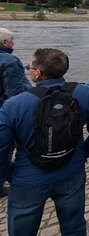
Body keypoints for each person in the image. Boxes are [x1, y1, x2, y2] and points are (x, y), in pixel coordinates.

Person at [0, 48, 89, 234]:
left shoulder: (14, 104)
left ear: (38, 73)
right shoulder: (86, 93)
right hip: (71, 170)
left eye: (30, 67)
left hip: (28, 177)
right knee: (74, 227)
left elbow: (1, 148)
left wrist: (8, 174)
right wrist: (85, 153)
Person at [0, 28, 31, 197]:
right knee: (5, 148)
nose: (13, 43)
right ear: (4, 43)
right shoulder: (9, 61)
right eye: (11, 40)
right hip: (4, 112)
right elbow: (16, 92)